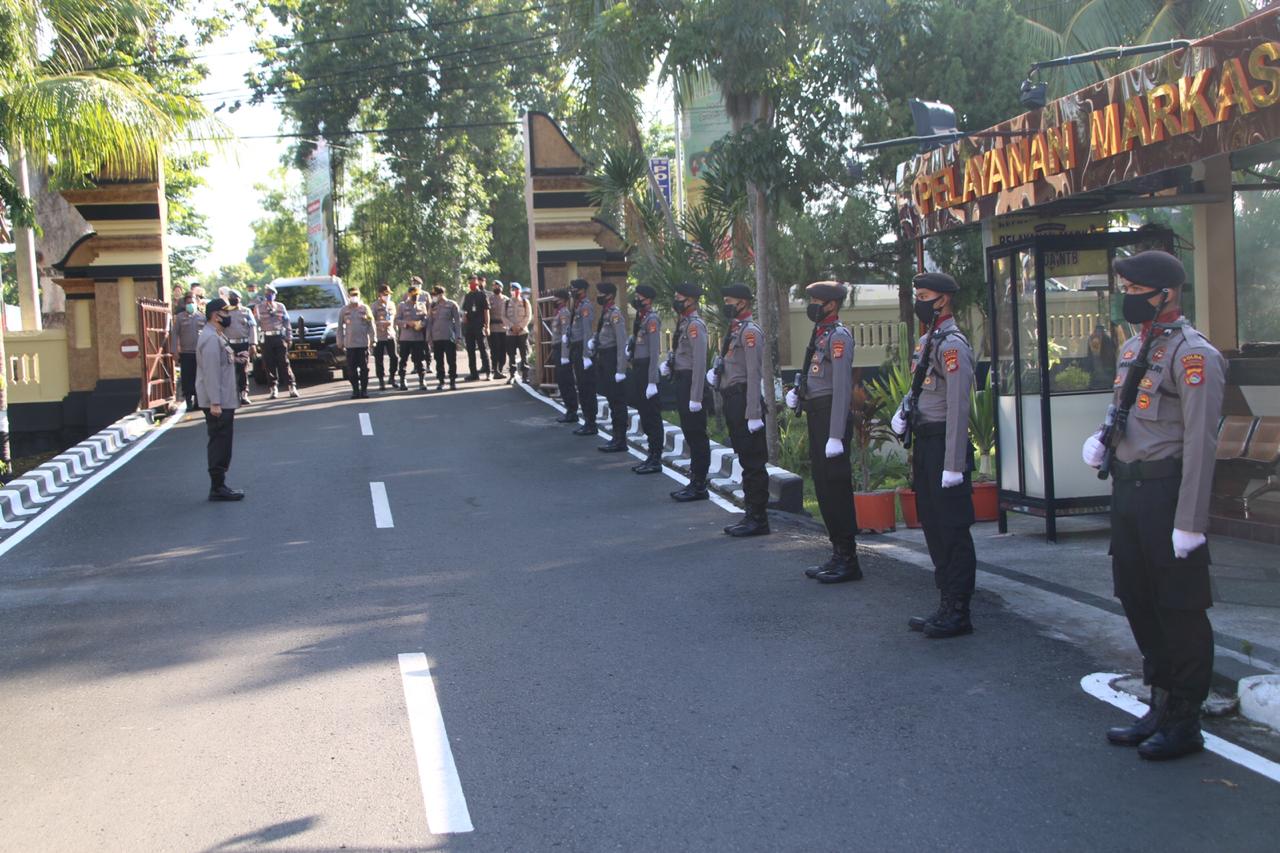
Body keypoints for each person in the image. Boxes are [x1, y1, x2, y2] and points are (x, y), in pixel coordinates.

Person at [1081, 250, 1225, 762]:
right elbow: (1124, 409)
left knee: (1179, 607)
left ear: (1166, 294)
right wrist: (1103, 439)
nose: (1127, 297)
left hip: (1167, 495)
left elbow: (1202, 445)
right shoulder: (1135, 347)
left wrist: (1191, 522)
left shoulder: (1194, 355)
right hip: (1129, 492)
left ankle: (1186, 717)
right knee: (1137, 596)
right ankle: (1160, 702)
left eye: (1135, 289)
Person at [890, 272, 976, 637]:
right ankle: (945, 601)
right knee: (933, 524)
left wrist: (954, 464)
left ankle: (959, 609)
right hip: (925, 443)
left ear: (942, 299)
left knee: (952, 528)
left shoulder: (953, 344)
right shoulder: (928, 341)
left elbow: (957, 406)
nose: (920, 302)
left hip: (945, 444)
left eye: (924, 296)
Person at [791, 281, 862, 582]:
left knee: (836, 488)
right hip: (817, 414)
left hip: (832, 417)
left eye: (818, 301)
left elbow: (843, 388)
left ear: (832, 304)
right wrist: (800, 394)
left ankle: (849, 559)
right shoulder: (820, 334)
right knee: (822, 487)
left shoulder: (839, 337)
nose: (813, 306)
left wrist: (836, 434)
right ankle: (837, 553)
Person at [709, 283, 769, 536]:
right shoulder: (735, 331)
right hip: (734, 401)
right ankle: (750, 514)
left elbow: (754, 375)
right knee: (746, 460)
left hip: (746, 401)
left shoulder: (750, 333)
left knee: (754, 463)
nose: (726, 305)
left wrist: (754, 413)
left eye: (730, 300)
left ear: (743, 302)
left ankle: (759, 519)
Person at [663, 282, 711, 500]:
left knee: (697, 435)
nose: (677, 301)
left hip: (692, 383)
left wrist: (696, 396)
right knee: (690, 434)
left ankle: (700, 485)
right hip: (683, 381)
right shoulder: (684, 323)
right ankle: (694, 481)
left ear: (691, 300)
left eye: (680, 298)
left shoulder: (695, 325)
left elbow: (700, 362)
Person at [195, 298, 244, 501]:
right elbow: (211, 372)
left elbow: (221, 363)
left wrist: (237, 359)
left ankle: (219, 485)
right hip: (218, 401)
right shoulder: (211, 339)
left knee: (223, 441)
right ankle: (217, 486)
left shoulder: (216, 335)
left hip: (222, 398)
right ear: (216, 315)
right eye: (226, 313)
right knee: (219, 442)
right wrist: (215, 402)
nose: (229, 317)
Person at [628, 284, 663, 473]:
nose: (637, 299)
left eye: (639, 297)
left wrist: (652, 381)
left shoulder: (652, 320)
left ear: (648, 299)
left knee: (652, 416)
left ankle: (656, 458)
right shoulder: (641, 319)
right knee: (644, 414)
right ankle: (651, 455)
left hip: (648, 371)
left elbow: (654, 352)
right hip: (639, 369)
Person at [592, 282, 629, 451]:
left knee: (617, 401)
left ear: (609, 296)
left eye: (601, 293)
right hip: (604, 358)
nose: (598, 296)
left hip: (613, 359)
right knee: (612, 401)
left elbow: (622, 343)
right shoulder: (606, 313)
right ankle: (616, 437)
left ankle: (620, 440)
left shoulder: (615, 315)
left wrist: (621, 369)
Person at [254, 284, 298, 399]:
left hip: (279, 337)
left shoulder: (280, 306)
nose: (269, 295)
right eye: (267, 293)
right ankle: (273, 388)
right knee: (268, 364)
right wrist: (257, 340)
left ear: (275, 295)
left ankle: (291, 386)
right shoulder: (259, 307)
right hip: (266, 338)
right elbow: (256, 324)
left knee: (284, 362)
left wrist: (289, 337)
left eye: (271, 294)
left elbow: (286, 322)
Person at [568, 278, 598, 435]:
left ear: (582, 290)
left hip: (582, 349)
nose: (572, 291)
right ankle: (587, 420)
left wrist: (586, 355)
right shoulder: (576, 305)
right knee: (581, 386)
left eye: (574, 289)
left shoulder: (585, 306)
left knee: (587, 388)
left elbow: (587, 331)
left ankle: (591, 422)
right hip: (576, 348)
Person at [338, 287, 376, 398]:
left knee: (364, 369)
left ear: (359, 296)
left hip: (363, 344)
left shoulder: (365, 309)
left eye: (356, 295)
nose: (354, 297)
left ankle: (364, 390)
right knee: (351, 369)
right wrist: (340, 341)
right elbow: (340, 327)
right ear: (349, 297)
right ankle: (355, 390)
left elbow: (371, 325)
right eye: (352, 295)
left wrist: (373, 339)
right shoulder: (344, 310)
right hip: (350, 345)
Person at [172, 290, 205, 410]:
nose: (190, 304)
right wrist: (175, 351)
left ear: (196, 302)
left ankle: (198, 401)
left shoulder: (202, 317)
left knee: (199, 377)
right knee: (187, 378)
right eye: (188, 302)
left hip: (199, 353)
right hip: (185, 353)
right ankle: (188, 401)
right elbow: (175, 334)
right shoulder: (180, 318)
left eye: (192, 302)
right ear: (185, 304)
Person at [225, 288, 258, 405]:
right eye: (231, 298)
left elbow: (252, 327)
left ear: (240, 299)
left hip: (243, 344)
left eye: (235, 298)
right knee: (230, 370)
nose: (233, 300)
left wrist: (253, 344)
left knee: (243, 370)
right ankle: (233, 394)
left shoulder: (246, 311)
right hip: (229, 344)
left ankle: (244, 393)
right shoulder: (225, 311)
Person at [395, 278, 430, 390]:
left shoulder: (422, 305)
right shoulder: (402, 306)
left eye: (417, 295)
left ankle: (422, 380)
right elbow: (397, 320)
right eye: (414, 295)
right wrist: (407, 323)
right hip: (406, 337)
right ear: (409, 295)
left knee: (420, 359)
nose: (416, 297)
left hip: (418, 337)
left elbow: (426, 319)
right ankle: (402, 380)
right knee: (403, 359)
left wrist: (421, 324)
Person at [551, 289, 578, 423]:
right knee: (562, 381)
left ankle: (572, 411)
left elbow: (565, 335)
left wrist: (565, 355)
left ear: (562, 300)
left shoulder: (564, 314)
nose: (554, 301)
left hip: (563, 350)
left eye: (556, 298)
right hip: (558, 349)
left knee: (566, 381)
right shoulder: (559, 313)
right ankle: (569, 409)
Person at [428, 285, 462, 390]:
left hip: (449, 336)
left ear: (441, 294)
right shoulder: (433, 306)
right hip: (437, 337)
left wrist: (458, 336)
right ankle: (441, 381)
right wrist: (428, 337)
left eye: (435, 295)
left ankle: (452, 380)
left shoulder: (451, 304)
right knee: (439, 360)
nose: (434, 297)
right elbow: (429, 322)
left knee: (451, 360)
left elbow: (457, 321)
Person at [462, 274, 492, 380]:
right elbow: (465, 309)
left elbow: (486, 311)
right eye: (470, 283)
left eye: (473, 282)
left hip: (480, 326)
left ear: (477, 283)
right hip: (469, 327)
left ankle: (488, 372)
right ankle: (473, 373)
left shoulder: (482, 295)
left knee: (483, 349)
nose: (472, 284)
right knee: (470, 350)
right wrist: (464, 316)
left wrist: (487, 326)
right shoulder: (468, 296)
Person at [503, 282, 531, 384]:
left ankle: (525, 376)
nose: (513, 291)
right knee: (511, 355)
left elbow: (528, 316)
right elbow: (503, 316)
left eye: (515, 289)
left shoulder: (525, 302)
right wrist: (511, 326)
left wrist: (520, 326)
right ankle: (512, 375)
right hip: (510, 333)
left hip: (522, 332)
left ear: (519, 291)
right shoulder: (506, 303)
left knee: (524, 354)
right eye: (511, 289)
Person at [372, 283, 398, 391]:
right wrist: (381, 323)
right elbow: (371, 321)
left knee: (394, 357)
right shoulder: (374, 306)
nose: (387, 296)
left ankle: (392, 377)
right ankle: (381, 380)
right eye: (385, 294)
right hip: (379, 336)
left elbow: (393, 318)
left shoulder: (391, 304)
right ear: (380, 294)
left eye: (388, 294)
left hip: (390, 335)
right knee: (379, 359)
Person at [488, 280, 509, 380]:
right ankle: (495, 370)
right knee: (494, 350)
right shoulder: (489, 299)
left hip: (504, 328)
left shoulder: (506, 299)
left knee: (503, 350)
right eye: (494, 286)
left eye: (498, 286)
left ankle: (500, 368)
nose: (496, 288)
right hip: (493, 328)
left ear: (501, 288)